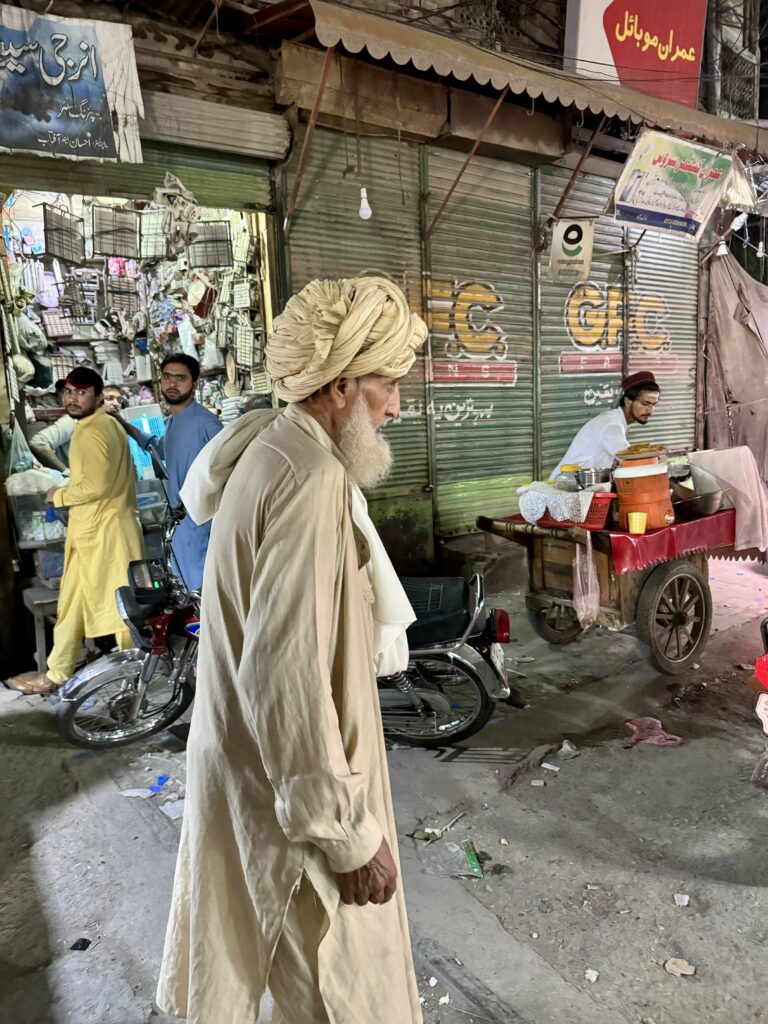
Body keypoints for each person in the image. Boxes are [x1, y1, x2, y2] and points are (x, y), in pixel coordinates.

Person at [156, 278, 428, 1024]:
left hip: (260, 777)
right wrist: (348, 834)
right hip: (294, 804)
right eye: (389, 385)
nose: (396, 406)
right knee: (335, 992)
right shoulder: (307, 478)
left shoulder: (271, 449)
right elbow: (284, 675)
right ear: (341, 386)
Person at [8, 368, 144, 695]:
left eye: (81, 392)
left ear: (98, 397)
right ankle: (56, 674)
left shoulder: (94, 430)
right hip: (93, 535)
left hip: (106, 536)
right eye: (68, 392)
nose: (72, 398)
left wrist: (60, 494)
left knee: (121, 608)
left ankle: (134, 677)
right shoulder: (100, 425)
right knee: (71, 605)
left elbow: (95, 486)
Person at [111, 354, 222, 591]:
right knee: (187, 589)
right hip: (180, 524)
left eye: (180, 378)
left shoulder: (206, 423)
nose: (172, 384)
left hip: (202, 521)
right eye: (167, 377)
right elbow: (160, 448)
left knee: (205, 590)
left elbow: (228, 470)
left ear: (194, 384)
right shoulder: (172, 422)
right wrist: (124, 425)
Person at [550, 370, 661, 479]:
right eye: (645, 404)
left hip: (581, 486)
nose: (650, 411)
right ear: (628, 401)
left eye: (654, 405)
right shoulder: (611, 425)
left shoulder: (617, 421)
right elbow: (632, 462)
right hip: (564, 487)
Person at [28, 379, 75, 472]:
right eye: (65, 392)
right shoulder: (72, 420)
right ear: (58, 392)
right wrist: (66, 472)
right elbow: (37, 443)